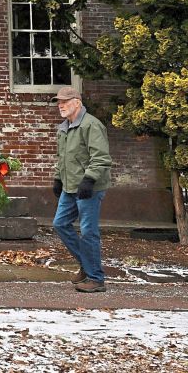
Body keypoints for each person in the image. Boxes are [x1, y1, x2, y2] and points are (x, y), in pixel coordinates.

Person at [51, 86, 113, 293]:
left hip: (89, 188)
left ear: (77, 102)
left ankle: (96, 279)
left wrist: (89, 180)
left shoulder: (91, 125)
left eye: (65, 102)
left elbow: (101, 158)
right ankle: (88, 266)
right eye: (59, 102)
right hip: (70, 187)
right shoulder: (64, 128)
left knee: (88, 232)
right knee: (60, 224)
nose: (61, 105)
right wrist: (57, 179)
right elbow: (62, 159)